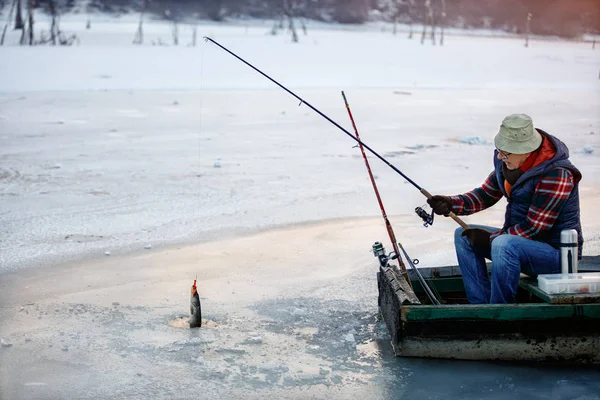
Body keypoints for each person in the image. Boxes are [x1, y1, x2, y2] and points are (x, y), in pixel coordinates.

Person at [427, 114, 583, 304]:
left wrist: (490, 240)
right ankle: (480, 307)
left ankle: (500, 309)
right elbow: (485, 195)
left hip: (557, 258)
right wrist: (451, 203)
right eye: (499, 151)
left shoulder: (556, 174)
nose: (500, 157)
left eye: (506, 153)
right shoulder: (509, 163)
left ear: (527, 150)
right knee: (463, 235)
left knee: (503, 244)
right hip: (517, 245)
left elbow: (534, 228)